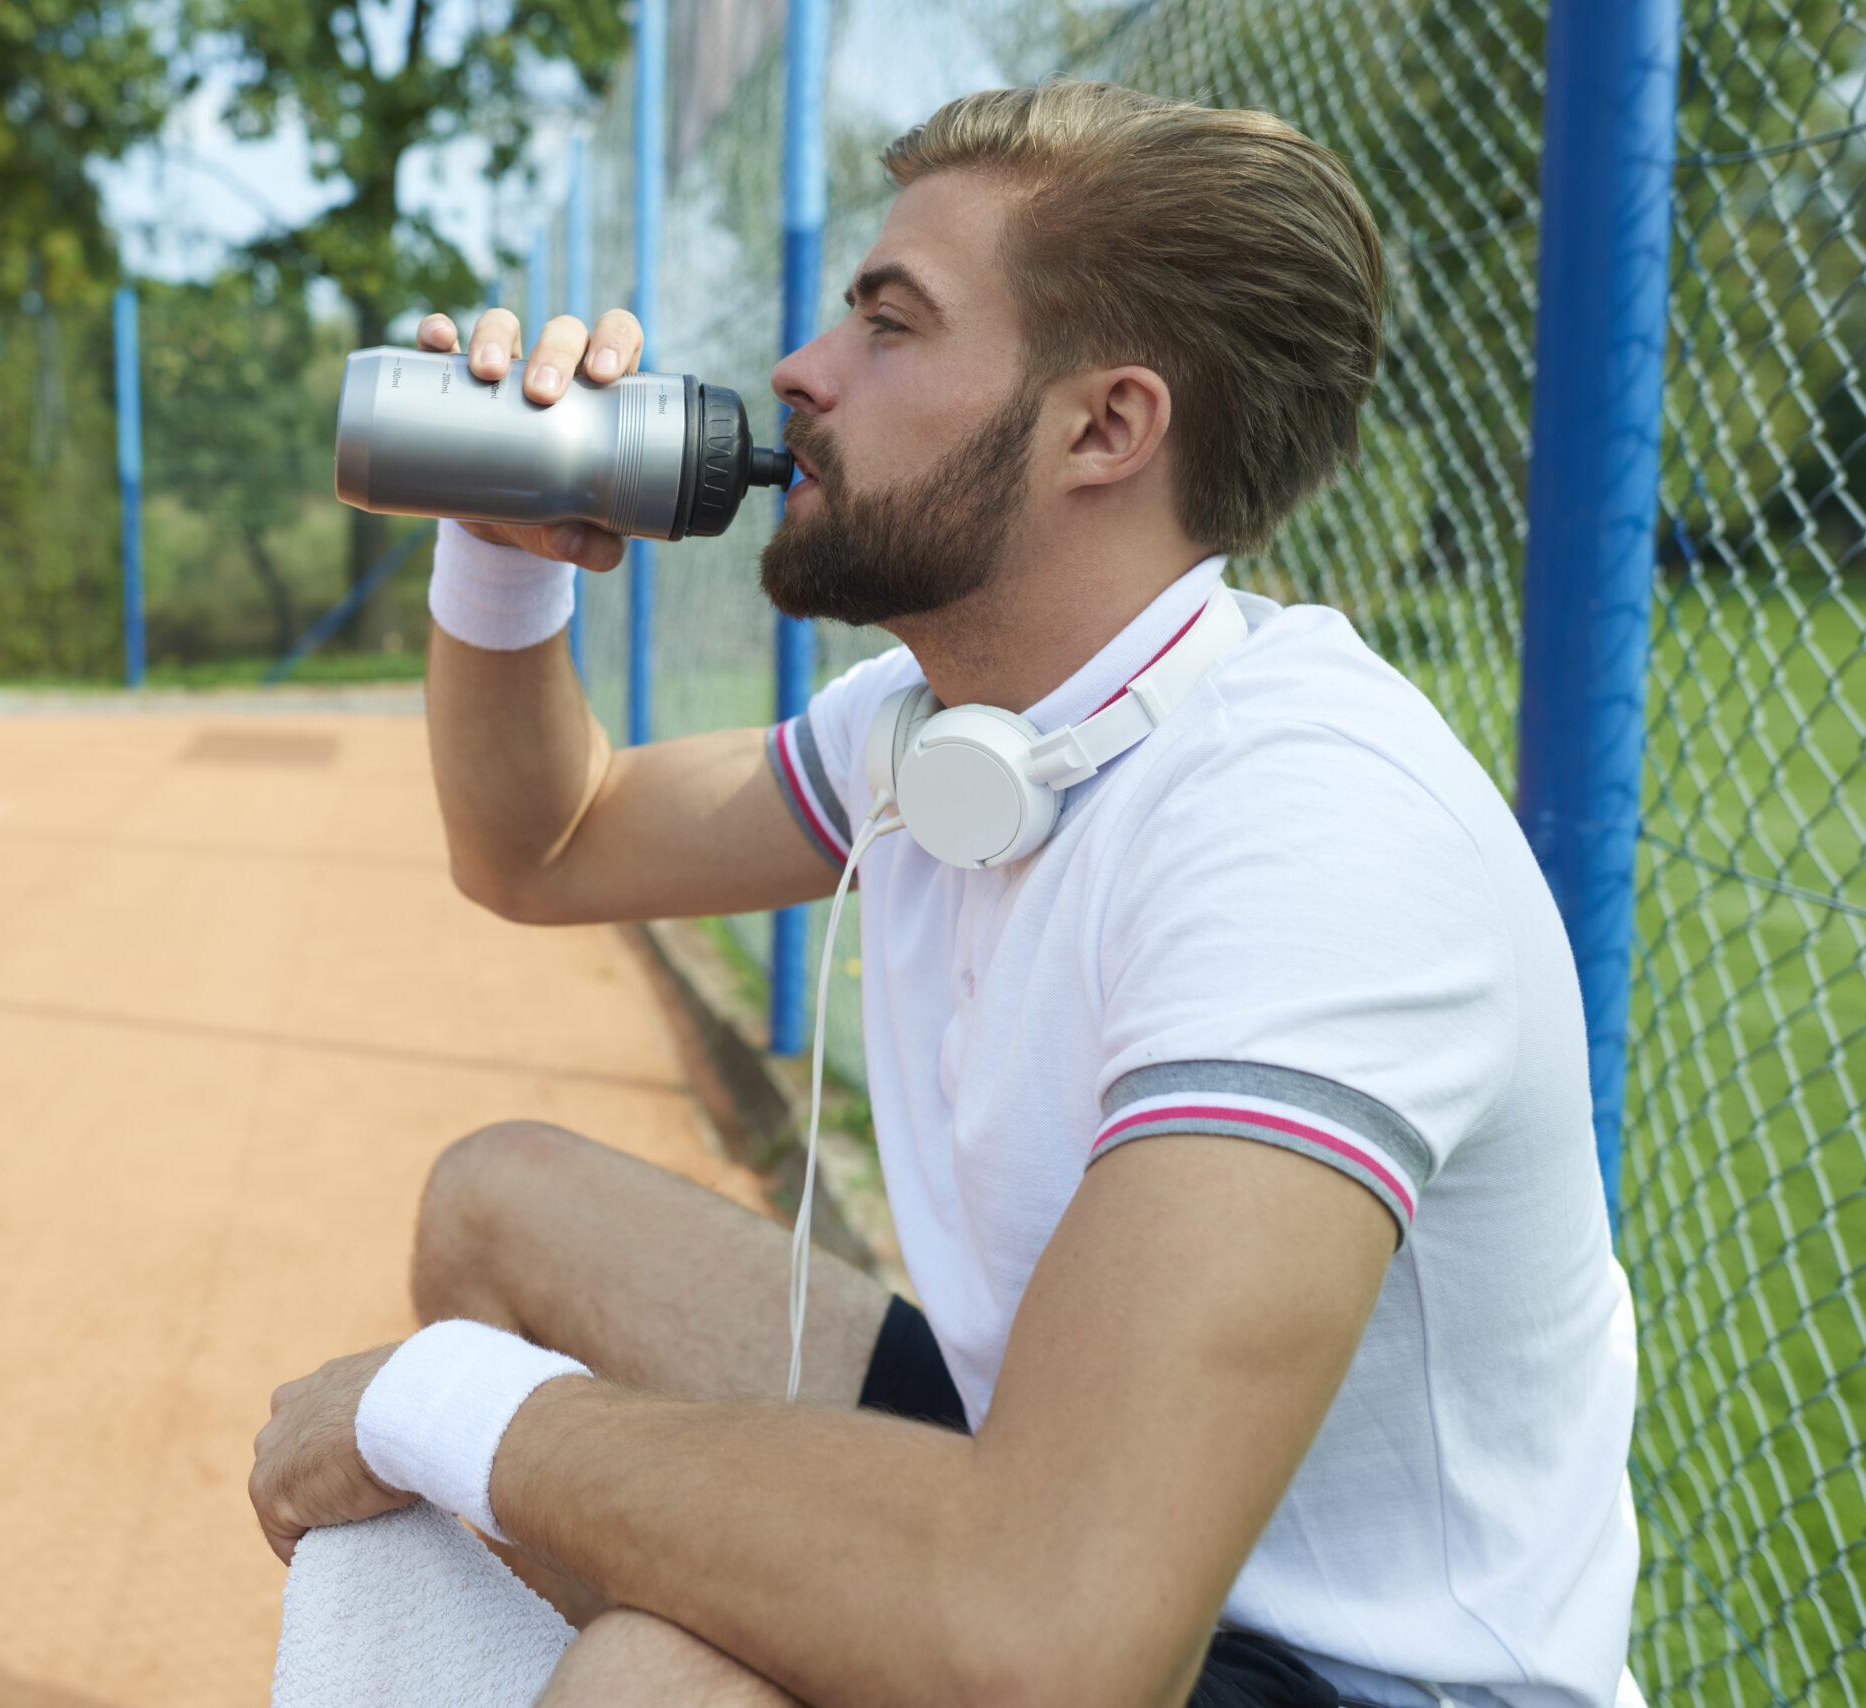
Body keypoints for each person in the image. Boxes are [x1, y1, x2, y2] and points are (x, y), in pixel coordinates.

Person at [249, 82, 1642, 1708]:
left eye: (889, 327)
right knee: (501, 1205)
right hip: (1047, 1504)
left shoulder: (1310, 831)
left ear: (1104, 430)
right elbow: (544, 844)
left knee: (656, 1684)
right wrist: (503, 548)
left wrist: (443, 1410)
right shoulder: (957, 735)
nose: (801, 372)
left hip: (1338, 1675)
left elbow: (1051, 1639)